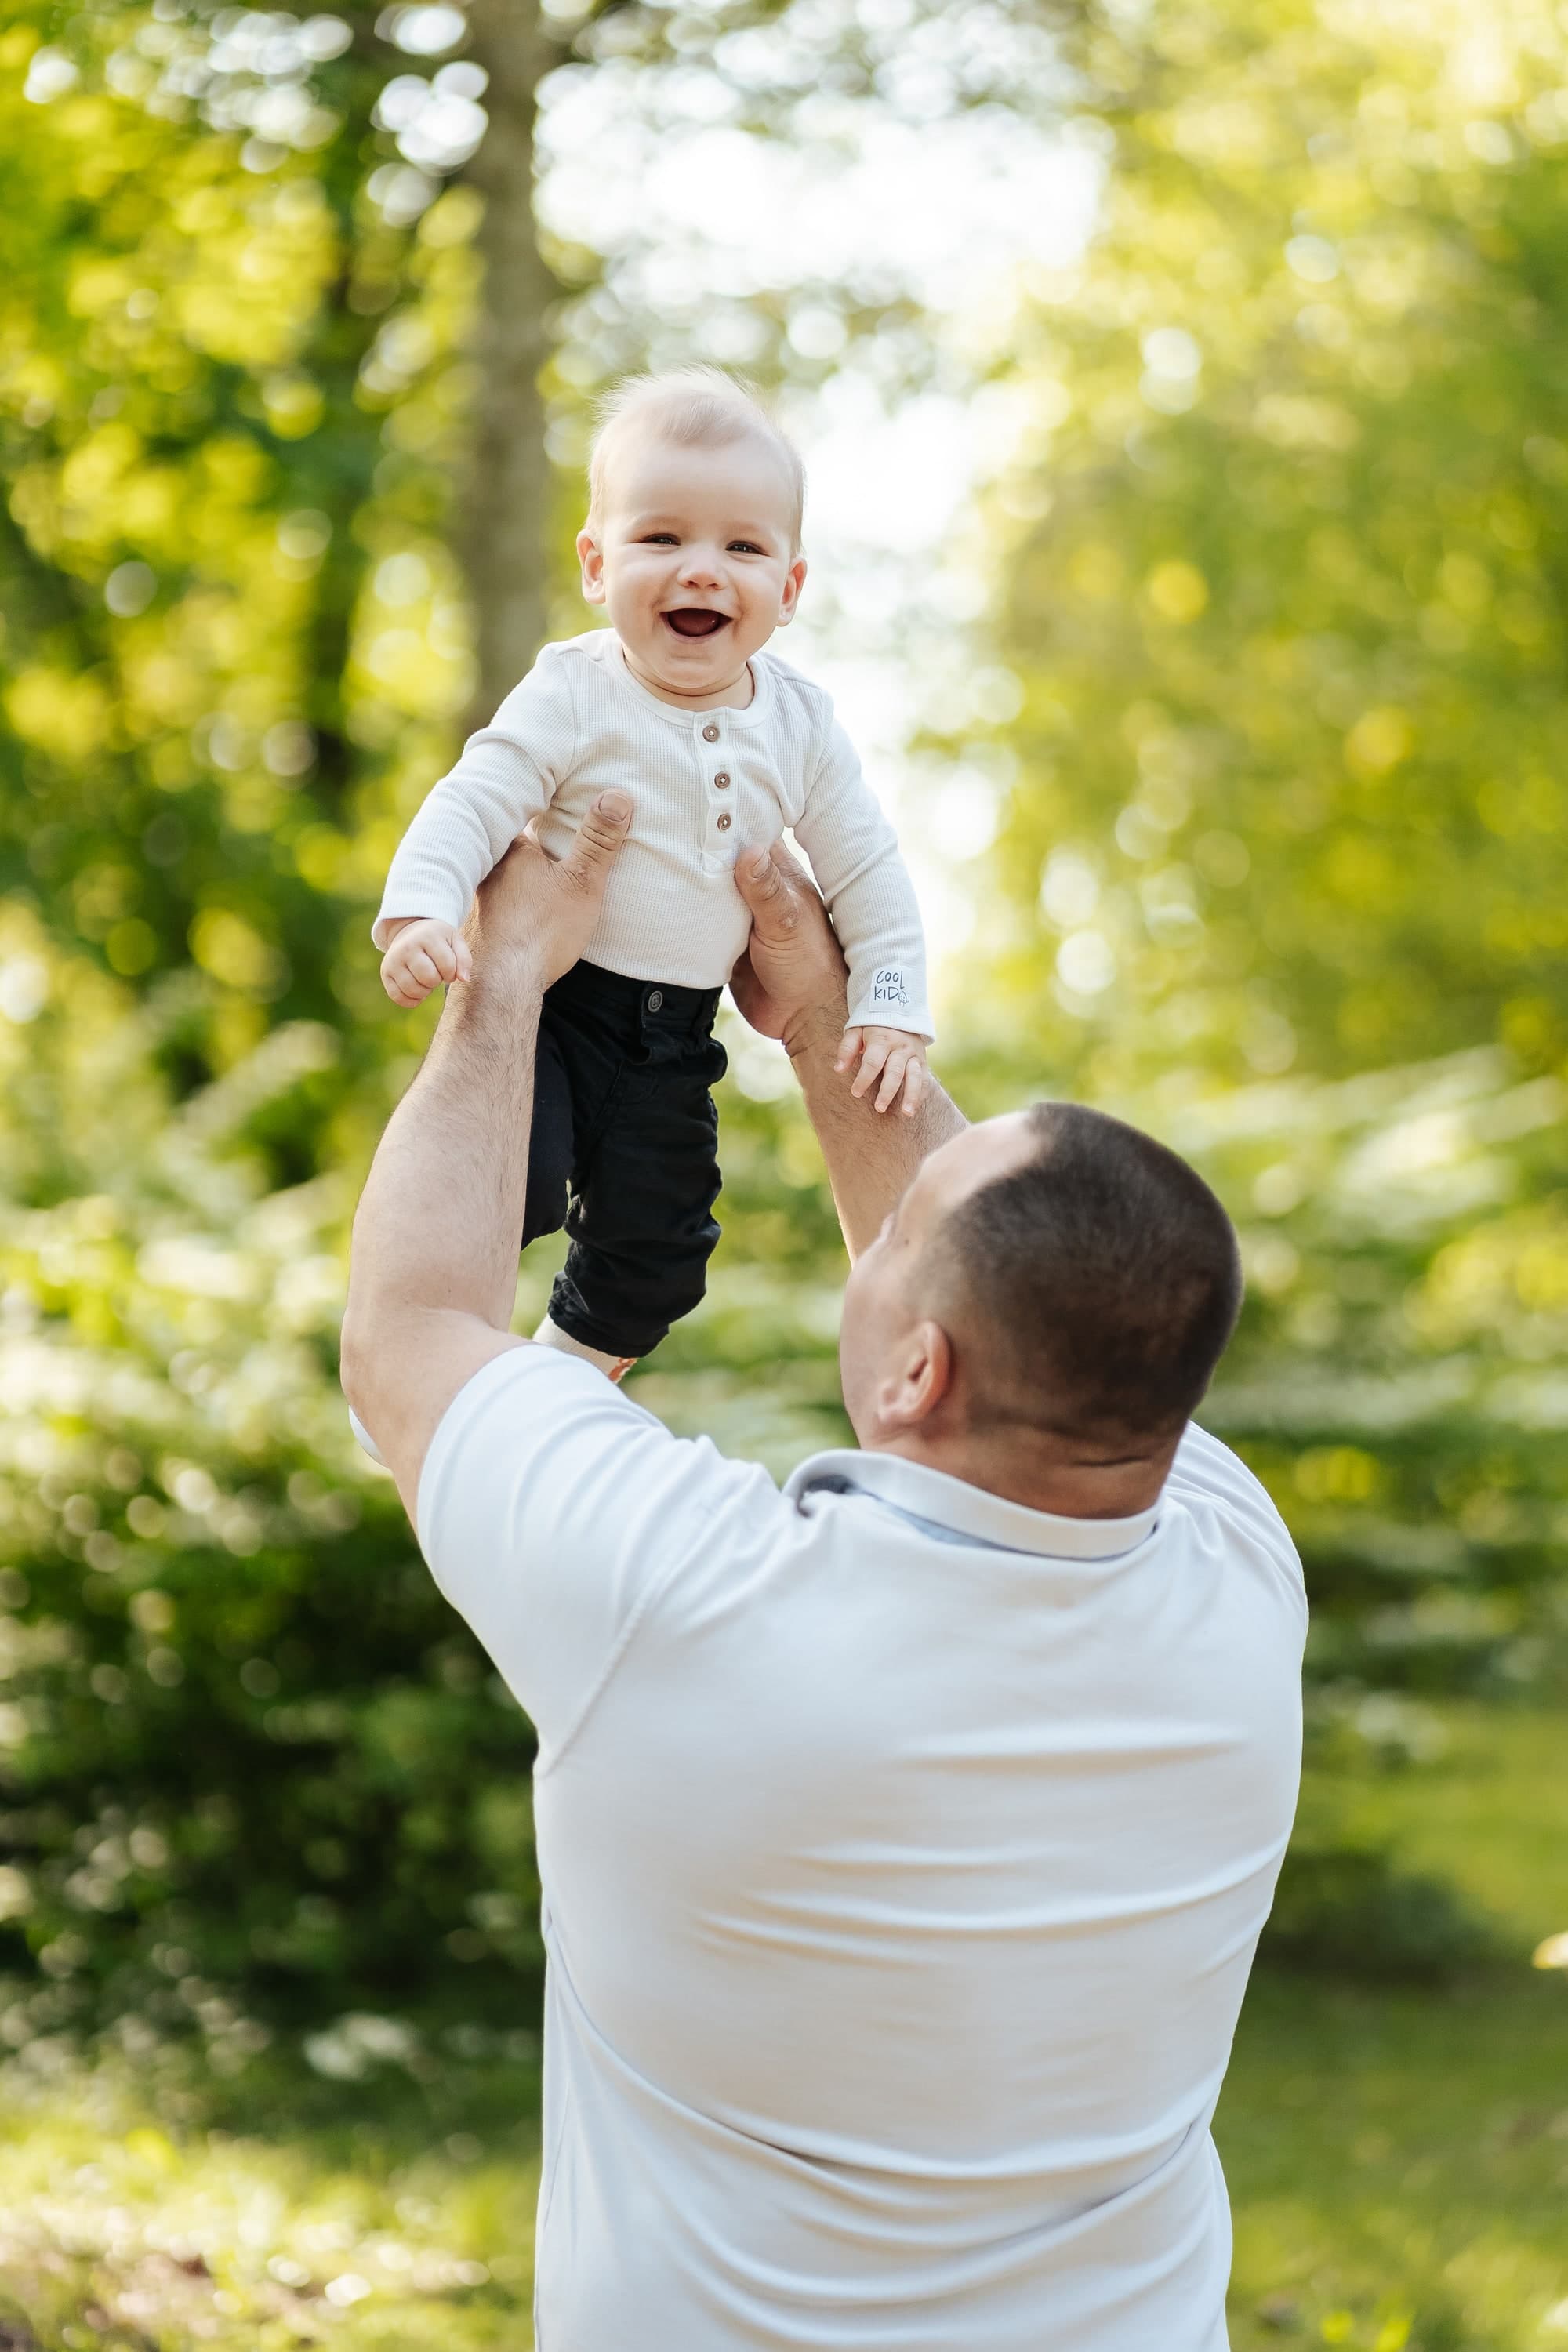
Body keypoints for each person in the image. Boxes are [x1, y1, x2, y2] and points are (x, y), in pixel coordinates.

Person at [340, 794, 1307, 2352]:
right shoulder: (1240, 1586)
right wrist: (826, 1022)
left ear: (917, 1370)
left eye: (897, 1232)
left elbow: (411, 1338)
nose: (880, 1217)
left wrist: (505, 980)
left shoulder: (688, 1604)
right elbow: (1050, 1294)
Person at [372, 367, 931, 1382]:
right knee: (514, 1185)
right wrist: (421, 909)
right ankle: (416, 1372)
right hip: (557, 1005)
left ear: (791, 588)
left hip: (676, 1036)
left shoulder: (800, 723)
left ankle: (563, 1376)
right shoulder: (574, 690)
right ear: (597, 564)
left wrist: (889, 1005)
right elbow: (477, 796)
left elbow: (867, 868)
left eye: (743, 547)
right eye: (662, 538)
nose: (702, 570)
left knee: (662, 1252)